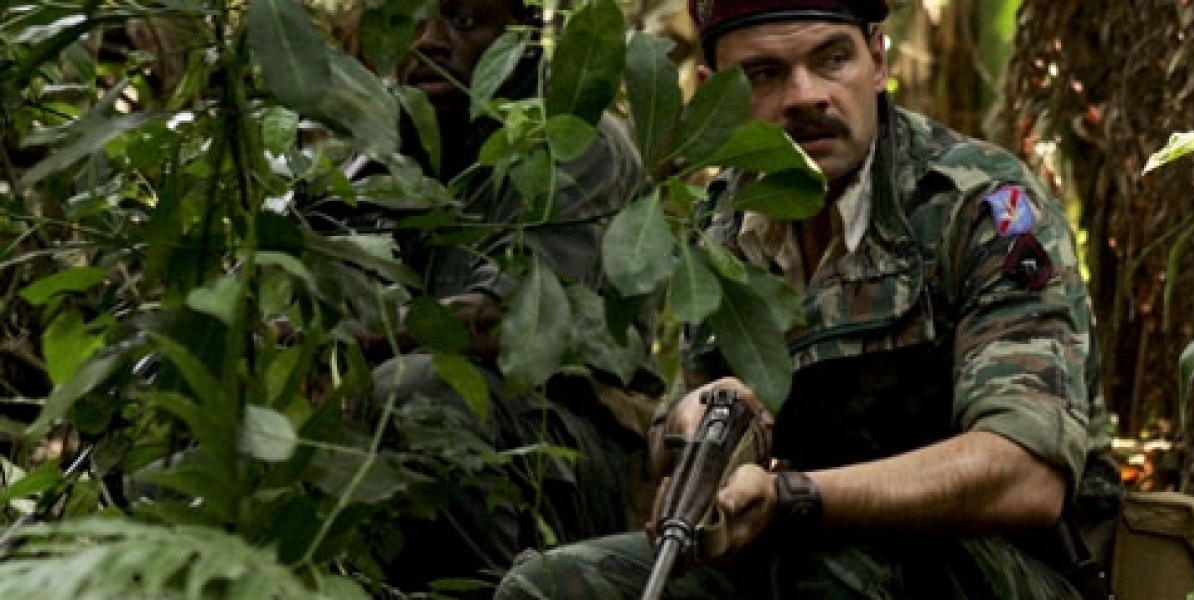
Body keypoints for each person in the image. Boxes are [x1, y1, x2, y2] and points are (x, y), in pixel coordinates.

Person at [493, 1, 1121, 599]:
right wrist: (688, 424)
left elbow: (1026, 475)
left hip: (1003, 567)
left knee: (827, 574)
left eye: (832, 59)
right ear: (715, 95)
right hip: (801, 548)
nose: (805, 96)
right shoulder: (725, 220)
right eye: (764, 74)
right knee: (549, 585)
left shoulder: (981, 204)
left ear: (877, 60)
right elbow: (680, 425)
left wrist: (793, 496)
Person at [296, 0, 659, 594]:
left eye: (464, 23)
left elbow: (506, 321)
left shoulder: (571, 137)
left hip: (572, 454)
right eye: (410, 23)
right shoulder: (380, 152)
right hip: (401, 436)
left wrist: (345, 339)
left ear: (522, 33)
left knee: (420, 391)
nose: (430, 43)